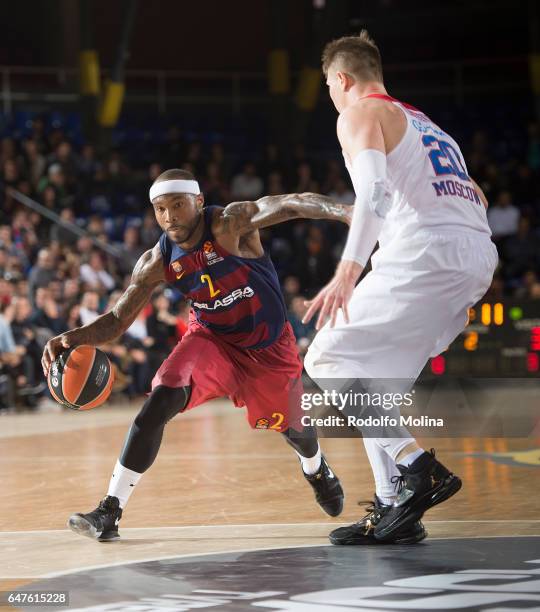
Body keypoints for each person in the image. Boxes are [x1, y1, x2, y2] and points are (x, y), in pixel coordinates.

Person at [41, 168, 352, 541]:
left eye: (177, 205)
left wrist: (346, 212)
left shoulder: (230, 223)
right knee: (160, 401)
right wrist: (72, 338)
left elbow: (289, 204)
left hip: (267, 349)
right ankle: (110, 510)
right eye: (160, 209)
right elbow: (119, 319)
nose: (169, 216)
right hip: (212, 340)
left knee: (296, 431)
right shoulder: (156, 261)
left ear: (199, 201)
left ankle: (315, 467)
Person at [302, 31, 498, 545]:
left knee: (324, 359)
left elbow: (374, 191)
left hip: (428, 253)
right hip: (471, 254)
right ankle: (394, 508)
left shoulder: (361, 112)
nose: (330, 96)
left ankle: (417, 467)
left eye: (328, 85)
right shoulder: (431, 126)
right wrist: (464, 281)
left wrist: (349, 269)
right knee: (375, 388)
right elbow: (474, 195)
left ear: (342, 79)